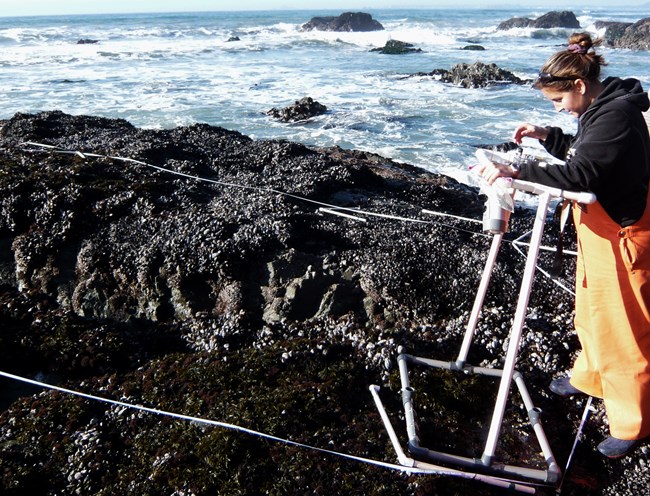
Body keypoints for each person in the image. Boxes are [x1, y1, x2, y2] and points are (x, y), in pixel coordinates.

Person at [476, 32, 650, 459]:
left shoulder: (616, 115)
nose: (556, 108)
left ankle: (634, 422)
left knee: (625, 328)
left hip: (624, 233)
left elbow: (581, 174)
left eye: (557, 102)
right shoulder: (603, 107)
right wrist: (548, 136)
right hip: (599, 227)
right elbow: (589, 153)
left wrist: (519, 173)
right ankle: (590, 376)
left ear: (578, 86)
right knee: (591, 311)